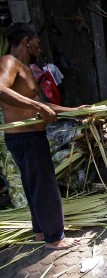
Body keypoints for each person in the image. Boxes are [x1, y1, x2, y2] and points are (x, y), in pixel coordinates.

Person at [0, 23, 88, 250]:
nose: (40, 49)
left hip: (30, 138)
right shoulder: (9, 62)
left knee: (34, 185)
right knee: (45, 185)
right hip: (24, 138)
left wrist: (77, 112)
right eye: (38, 44)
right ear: (27, 41)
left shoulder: (26, 69)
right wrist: (36, 107)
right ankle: (54, 238)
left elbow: (43, 106)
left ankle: (40, 231)